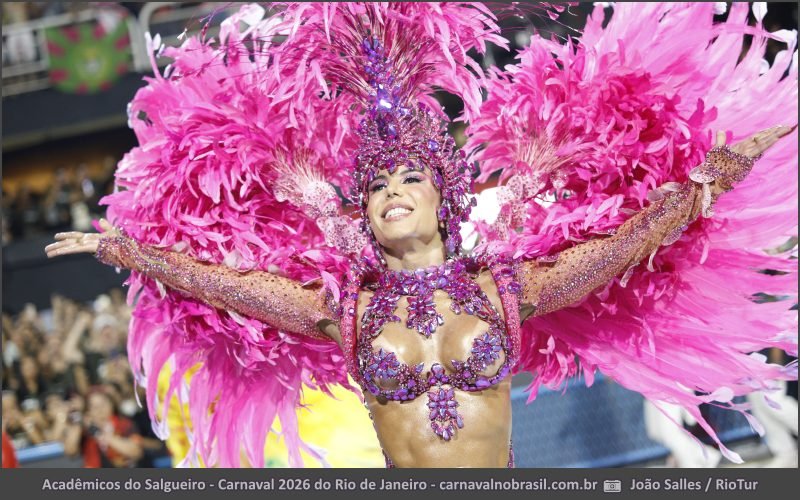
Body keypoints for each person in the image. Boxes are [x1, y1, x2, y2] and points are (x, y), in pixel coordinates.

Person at [45, 3, 797, 467]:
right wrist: (125, 250)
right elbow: (228, 285)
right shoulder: (345, 311)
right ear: (363, 212)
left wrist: (718, 173)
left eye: (408, 179)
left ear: (444, 196)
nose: (391, 193)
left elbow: (631, 241)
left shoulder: (508, 289)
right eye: (375, 186)